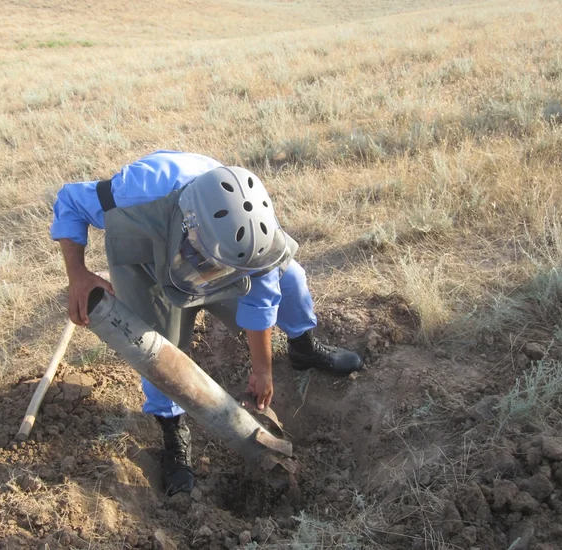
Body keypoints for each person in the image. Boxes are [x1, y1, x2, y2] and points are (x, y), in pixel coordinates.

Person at [50, 150, 362, 495]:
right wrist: (77, 273)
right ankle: (173, 432)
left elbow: (262, 297)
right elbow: (69, 201)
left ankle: (304, 348)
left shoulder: (251, 228)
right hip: (149, 268)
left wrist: (262, 371)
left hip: (220, 255)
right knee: (156, 346)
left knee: (292, 281)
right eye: (211, 264)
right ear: (191, 227)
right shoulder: (133, 194)